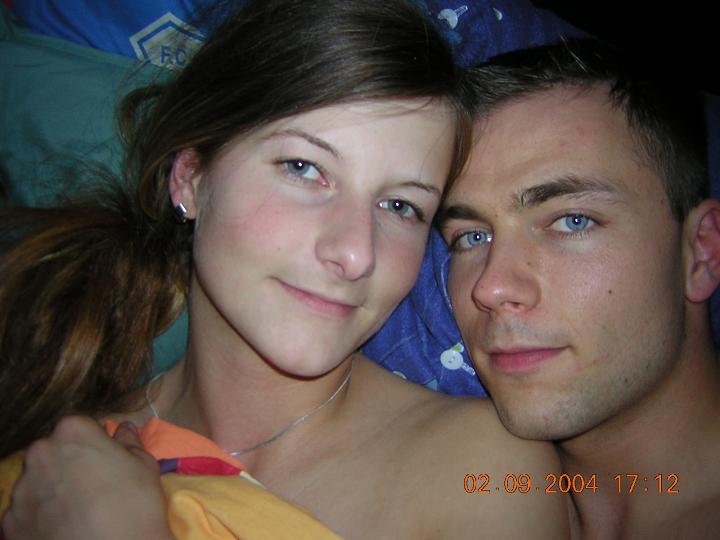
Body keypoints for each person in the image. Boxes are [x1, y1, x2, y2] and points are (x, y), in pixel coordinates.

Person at [0, 0, 568, 538]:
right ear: (191, 178)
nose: (356, 253)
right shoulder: (53, 465)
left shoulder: (485, 475)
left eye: (400, 206)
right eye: (303, 168)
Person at [438, 38, 720, 538]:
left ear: (701, 252)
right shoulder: (453, 496)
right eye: (472, 237)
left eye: (572, 221)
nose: (491, 287)